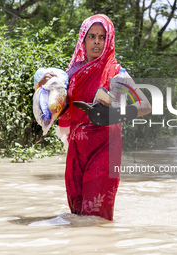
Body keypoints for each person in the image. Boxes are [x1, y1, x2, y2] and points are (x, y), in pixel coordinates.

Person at [39, 14, 151, 221]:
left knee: (95, 215)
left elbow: (145, 105)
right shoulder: (71, 73)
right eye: (92, 36)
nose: (97, 41)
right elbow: (58, 107)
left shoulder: (117, 73)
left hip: (105, 148)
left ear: (108, 41)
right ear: (83, 40)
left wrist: (116, 112)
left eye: (102, 36)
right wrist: (44, 86)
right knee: (77, 211)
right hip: (77, 149)